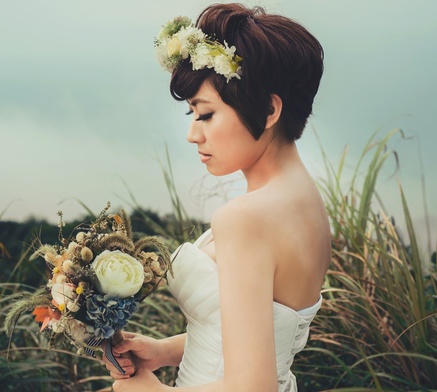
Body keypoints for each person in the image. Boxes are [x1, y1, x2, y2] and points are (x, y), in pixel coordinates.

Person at [104, 3, 330, 391]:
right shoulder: (306, 202)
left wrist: (150, 390)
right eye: (191, 115)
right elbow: (262, 334)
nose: (194, 134)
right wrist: (165, 351)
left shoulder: (247, 218)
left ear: (269, 109)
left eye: (205, 114)